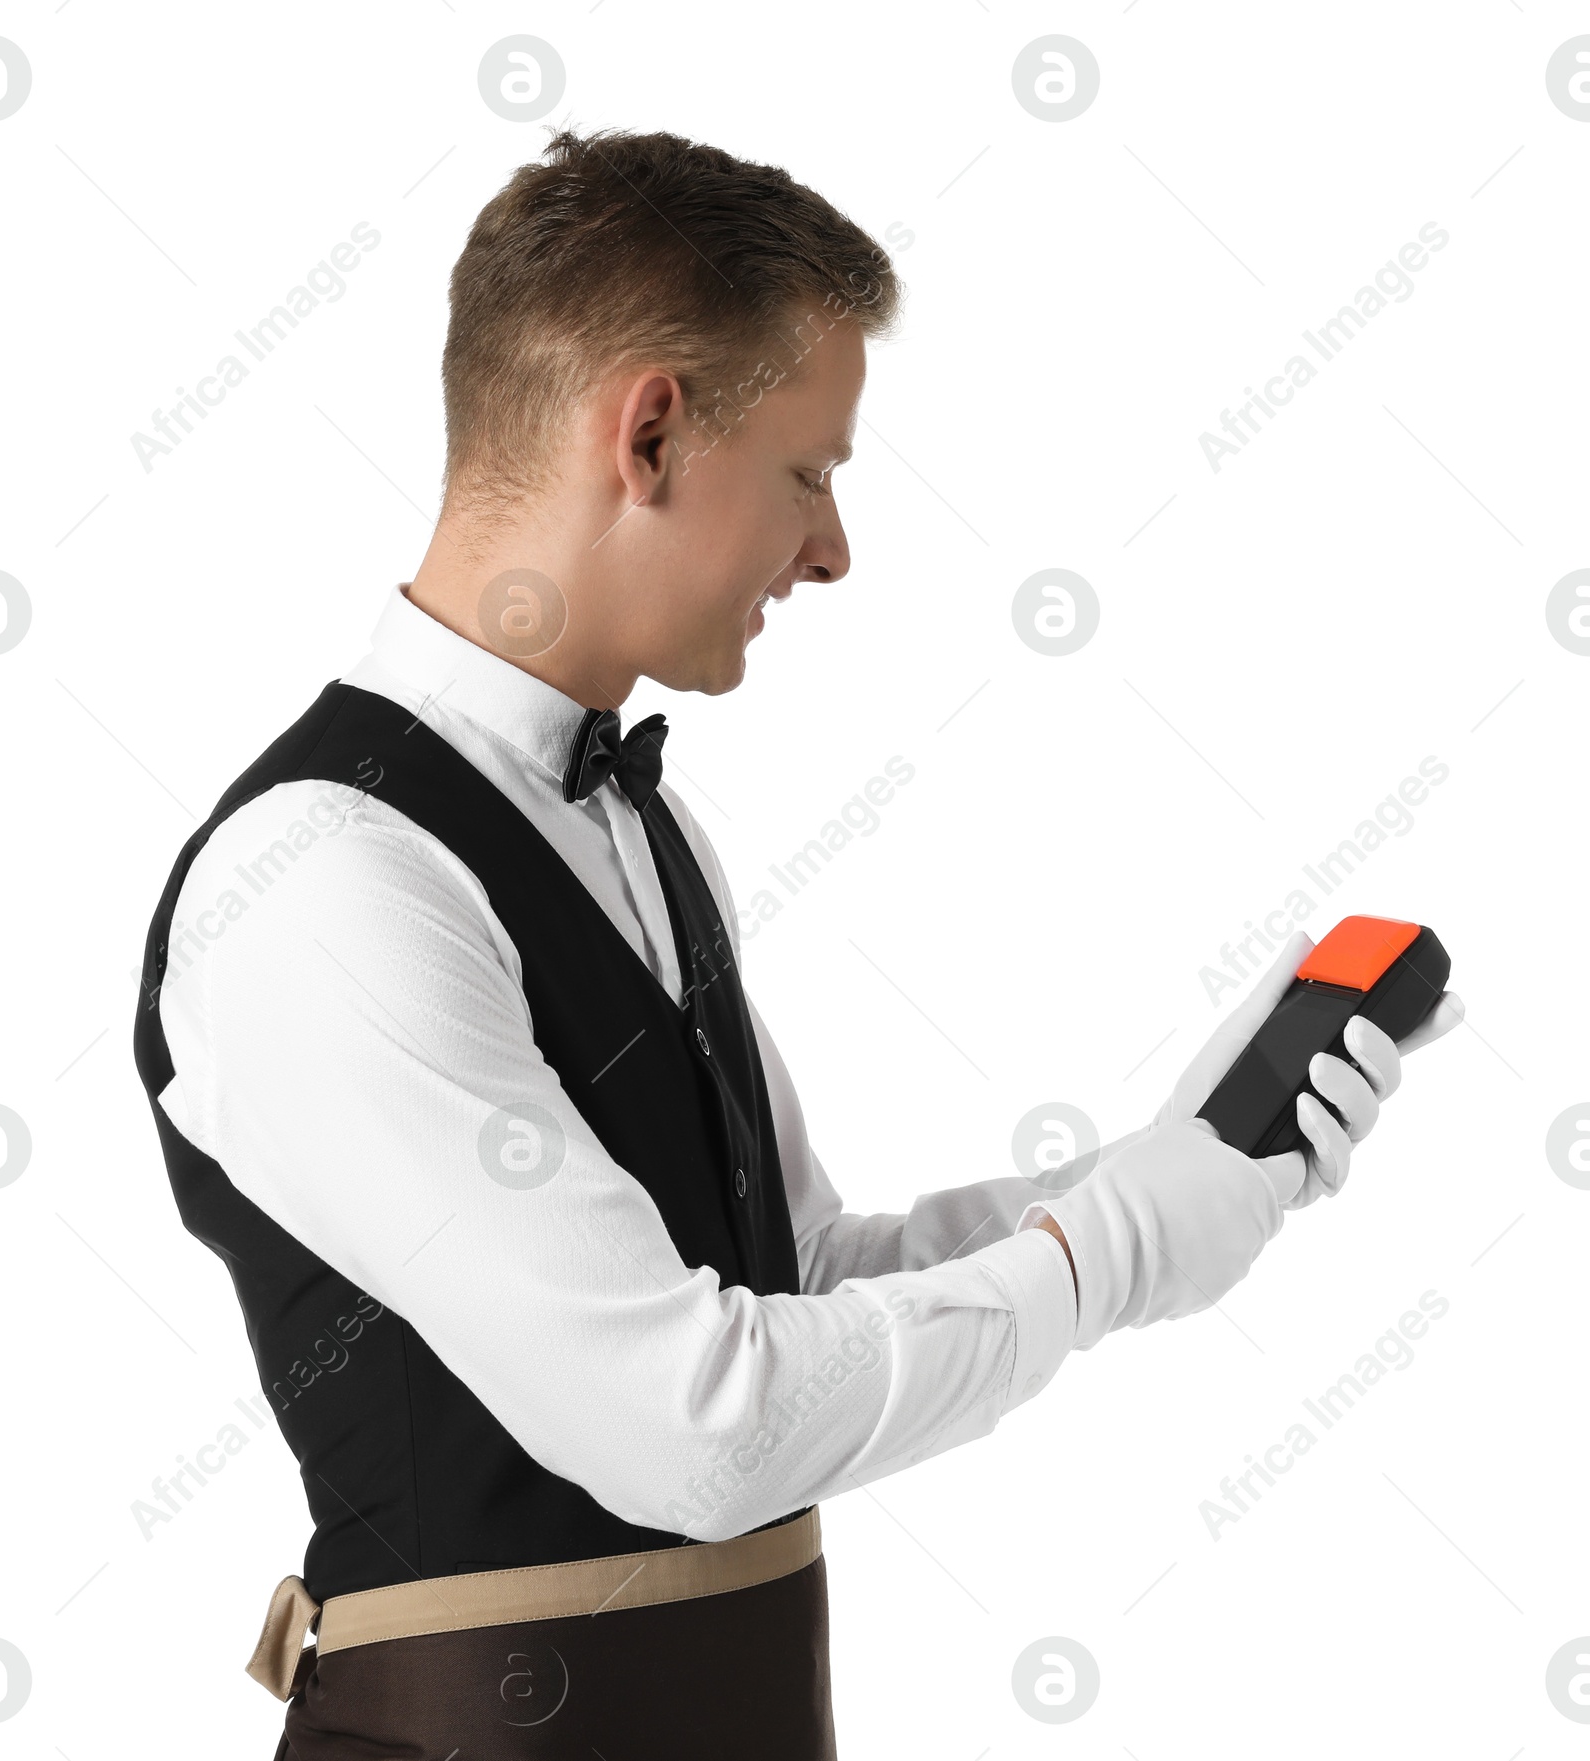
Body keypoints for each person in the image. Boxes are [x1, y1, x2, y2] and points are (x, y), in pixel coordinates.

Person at [132, 128, 1461, 1759]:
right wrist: (1108, 1249)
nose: (833, 548)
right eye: (813, 470)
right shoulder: (322, 877)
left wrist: (1163, 1163)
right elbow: (702, 1426)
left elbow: (797, 1284)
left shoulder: (637, 823)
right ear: (652, 432)